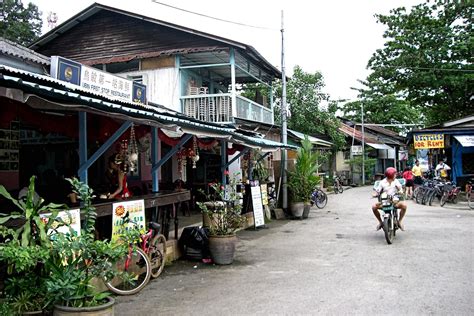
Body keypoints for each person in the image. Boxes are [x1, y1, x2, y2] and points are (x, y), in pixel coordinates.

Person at [372, 167, 407, 231]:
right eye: (394, 174)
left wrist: (401, 192)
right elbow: (377, 191)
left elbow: (400, 188)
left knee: (404, 206)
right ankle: (380, 222)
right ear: (391, 175)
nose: (395, 175)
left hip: (394, 201)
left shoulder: (396, 181)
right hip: (384, 202)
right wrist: (375, 194)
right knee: (374, 207)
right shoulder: (382, 182)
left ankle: (399, 221)